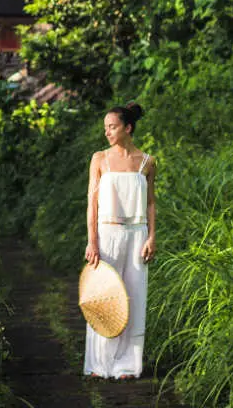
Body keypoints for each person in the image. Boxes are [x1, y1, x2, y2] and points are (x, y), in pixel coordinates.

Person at [83, 102, 156, 379]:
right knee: (104, 297)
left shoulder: (148, 162)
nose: (107, 132)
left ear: (128, 128)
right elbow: (91, 202)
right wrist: (92, 241)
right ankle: (100, 365)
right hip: (107, 233)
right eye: (105, 128)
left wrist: (151, 236)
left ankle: (127, 364)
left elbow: (150, 203)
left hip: (137, 235)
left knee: (134, 298)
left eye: (112, 127)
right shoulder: (99, 159)